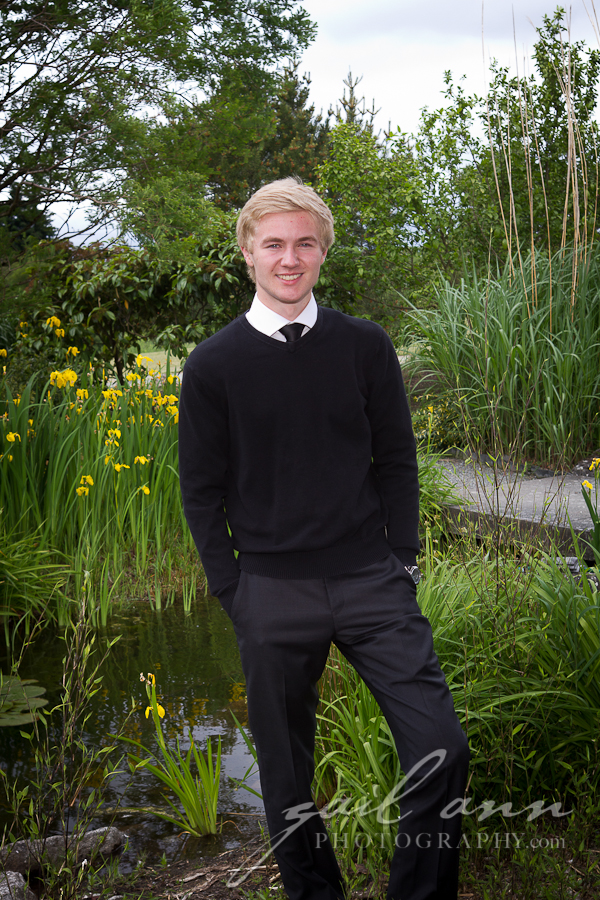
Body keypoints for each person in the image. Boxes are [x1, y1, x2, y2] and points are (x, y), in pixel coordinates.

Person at [178, 177, 469, 900]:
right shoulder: (213, 364)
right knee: (287, 776)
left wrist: (403, 559)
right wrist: (235, 592)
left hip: (373, 580)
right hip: (271, 592)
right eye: (274, 244)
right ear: (248, 252)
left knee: (441, 747)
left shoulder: (364, 345)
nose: (290, 258)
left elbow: (397, 460)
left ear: (323, 253)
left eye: (305, 243)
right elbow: (201, 492)